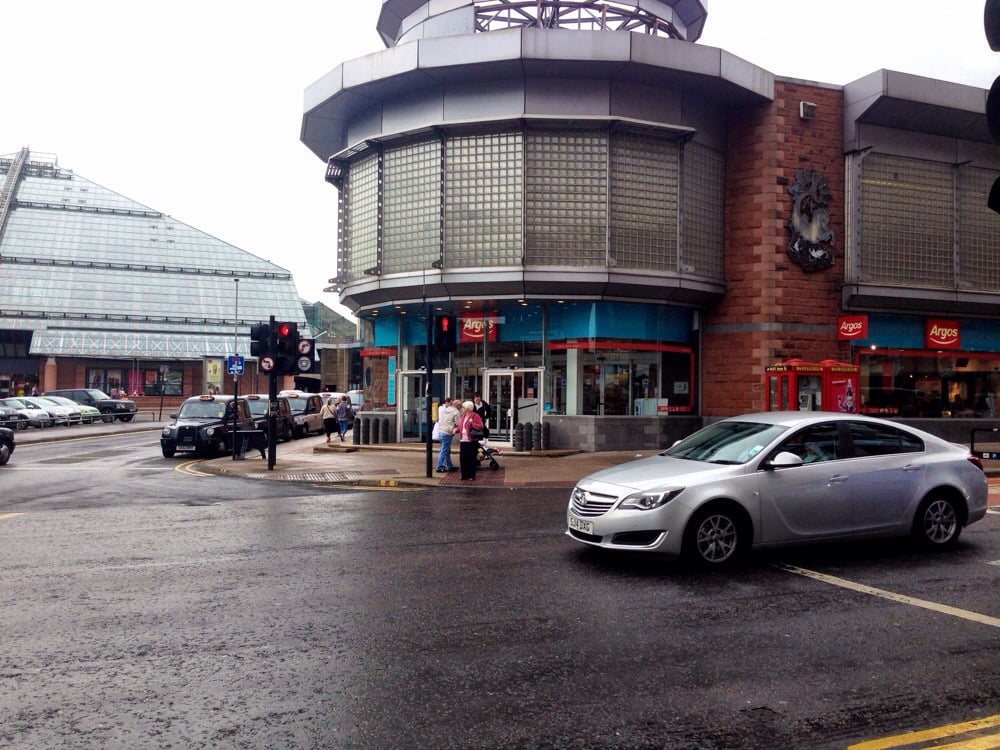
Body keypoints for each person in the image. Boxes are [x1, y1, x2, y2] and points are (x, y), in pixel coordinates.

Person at [456, 400, 485, 481]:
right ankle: (463, 474)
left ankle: (471, 475)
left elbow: (481, 426)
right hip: (463, 440)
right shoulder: (462, 416)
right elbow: (460, 427)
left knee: (471, 459)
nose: (462, 408)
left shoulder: (475, 416)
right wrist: (456, 430)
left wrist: (472, 423)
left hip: (471, 441)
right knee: (463, 458)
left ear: (468, 408)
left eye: (464, 407)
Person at [435, 398, 460, 472]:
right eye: (460, 406)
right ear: (457, 406)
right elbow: (458, 423)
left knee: (444, 450)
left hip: (441, 432)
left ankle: (449, 466)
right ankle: (439, 466)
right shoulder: (456, 412)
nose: (460, 407)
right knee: (444, 450)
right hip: (447, 433)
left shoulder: (446, 410)